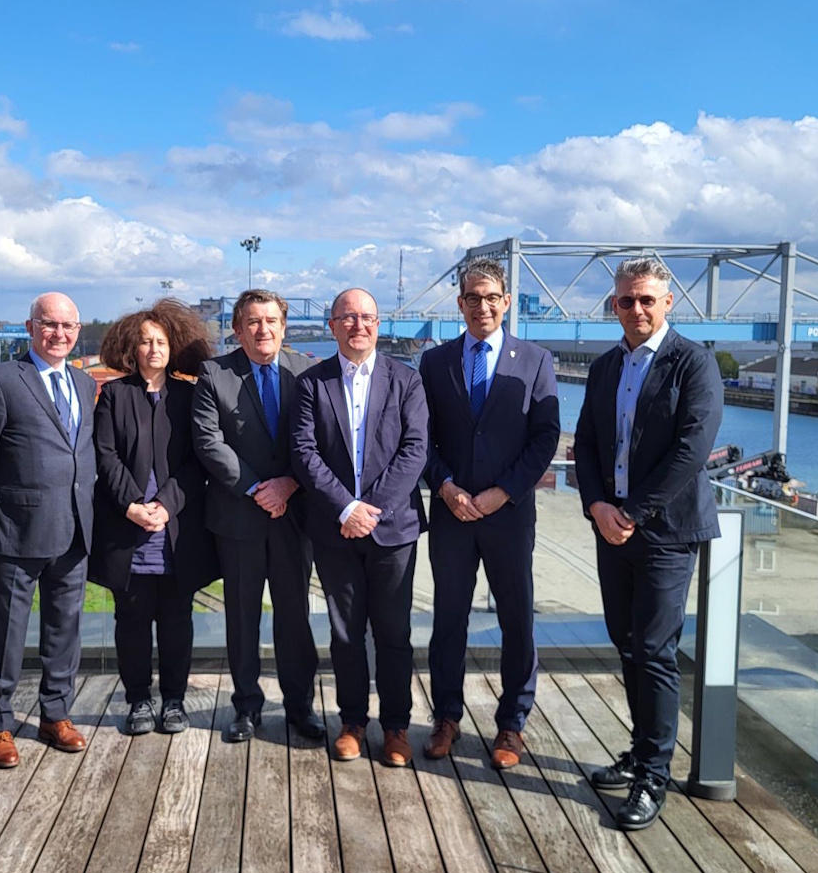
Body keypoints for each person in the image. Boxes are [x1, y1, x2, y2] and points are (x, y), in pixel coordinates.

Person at [574, 257, 723, 830]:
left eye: (646, 300)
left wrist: (632, 512)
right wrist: (597, 506)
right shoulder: (606, 365)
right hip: (612, 525)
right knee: (626, 642)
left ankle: (654, 776)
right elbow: (587, 442)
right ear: (614, 305)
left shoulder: (694, 362)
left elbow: (692, 449)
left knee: (656, 650)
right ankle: (640, 752)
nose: (635, 309)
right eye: (625, 300)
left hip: (667, 531)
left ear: (667, 303)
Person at [419, 258, 560, 770]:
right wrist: (446, 486)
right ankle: (446, 717)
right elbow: (422, 437)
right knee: (448, 620)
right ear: (460, 304)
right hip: (452, 513)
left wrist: (505, 491)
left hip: (509, 515)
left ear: (506, 302)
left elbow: (546, 435)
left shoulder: (537, 360)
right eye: (473, 298)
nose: (483, 306)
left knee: (516, 620)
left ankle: (512, 723)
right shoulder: (434, 363)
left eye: (492, 297)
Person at [0, 291, 97, 768]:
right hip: (16, 528)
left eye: (68, 326)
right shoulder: (0, 381)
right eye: (49, 324)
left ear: (78, 331)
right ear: (30, 327)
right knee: (5, 631)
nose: (59, 334)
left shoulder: (83, 383)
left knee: (65, 628)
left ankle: (55, 714)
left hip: (74, 525)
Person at [290, 289, 428, 767]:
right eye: (348, 318)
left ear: (378, 324)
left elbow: (415, 450)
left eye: (367, 317)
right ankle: (352, 721)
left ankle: (396, 727)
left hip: (393, 531)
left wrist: (370, 510)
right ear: (332, 326)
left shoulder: (406, 380)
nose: (358, 326)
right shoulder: (311, 384)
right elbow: (303, 452)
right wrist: (345, 509)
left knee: (393, 633)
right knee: (346, 633)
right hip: (334, 530)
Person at [192, 289, 323, 744]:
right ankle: (246, 706)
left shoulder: (308, 371)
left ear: (284, 327)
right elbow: (208, 442)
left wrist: (290, 484)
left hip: (294, 516)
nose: (262, 329)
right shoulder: (214, 373)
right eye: (252, 322)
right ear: (237, 330)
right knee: (242, 617)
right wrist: (256, 489)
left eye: (271, 321)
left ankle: (300, 706)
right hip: (238, 517)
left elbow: (321, 438)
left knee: (295, 615)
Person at [90, 300, 218, 735]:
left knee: (177, 623)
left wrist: (166, 505)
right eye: (145, 342)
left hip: (175, 531)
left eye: (161, 342)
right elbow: (105, 455)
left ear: (173, 346)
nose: (153, 349)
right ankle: (139, 700)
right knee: (131, 623)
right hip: (127, 531)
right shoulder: (114, 394)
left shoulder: (189, 395)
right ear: (133, 347)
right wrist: (130, 504)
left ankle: (174, 701)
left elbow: (197, 460)